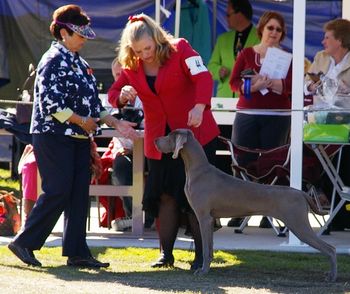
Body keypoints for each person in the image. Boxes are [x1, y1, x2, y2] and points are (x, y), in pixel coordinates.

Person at [8, 4, 138, 268]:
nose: (83, 40)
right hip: (53, 135)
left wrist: (113, 120)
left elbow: (93, 104)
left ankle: (77, 251)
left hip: (78, 139)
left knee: (79, 194)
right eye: (79, 35)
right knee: (58, 190)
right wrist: (82, 121)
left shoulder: (80, 63)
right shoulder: (52, 60)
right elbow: (50, 104)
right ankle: (25, 241)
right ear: (64, 33)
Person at [108, 13, 220, 269]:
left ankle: (202, 257)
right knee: (165, 197)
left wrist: (200, 106)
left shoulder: (181, 49)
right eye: (138, 50)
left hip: (194, 137)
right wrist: (122, 96)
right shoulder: (131, 65)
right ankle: (165, 255)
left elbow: (203, 78)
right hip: (160, 142)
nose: (145, 54)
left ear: (157, 38)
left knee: (196, 198)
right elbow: (113, 94)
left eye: (148, 48)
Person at [229, 11, 292, 229]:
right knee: (242, 161)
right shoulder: (247, 54)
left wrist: (273, 83)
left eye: (278, 29)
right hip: (248, 114)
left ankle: (272, 213)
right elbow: (234, 82)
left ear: (282, 34)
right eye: (270, 28)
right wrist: (253, 86)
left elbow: (292, 86)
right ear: (262, 29)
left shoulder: (287, 57)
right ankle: (238, 210)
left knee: (274, 163)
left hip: (277, 116)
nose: (274, 32)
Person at [304, 18, 350, 232]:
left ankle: (340, 215)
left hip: (345, 123)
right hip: (320, 121)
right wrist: (311, 86)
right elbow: (305, 83)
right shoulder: (321, 58)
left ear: (340, 40)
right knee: (313, 156)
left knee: (342, 164)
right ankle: (326, 202)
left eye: (327, 37)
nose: (323, 41)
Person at [207, 0, 259, 98]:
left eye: (228, 15)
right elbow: (211, 66)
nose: (226, 18)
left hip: (249, 97)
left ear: (239, 14)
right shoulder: (222, 39)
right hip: (224, 98)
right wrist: (219, 71)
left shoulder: (259, 37)